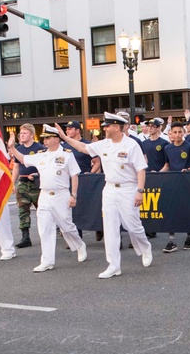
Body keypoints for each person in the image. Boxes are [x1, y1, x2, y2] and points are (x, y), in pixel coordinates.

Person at [56, 112, 152, 279]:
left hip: (128, 188)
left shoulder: (131, 145)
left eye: (107, 126)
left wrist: (140, 191)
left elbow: (140, 170)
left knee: (133, 226)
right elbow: (82, 148)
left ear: (116, 127)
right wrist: (64, 137)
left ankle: (145, 248)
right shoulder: (104, 144)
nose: (104, 128)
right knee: (110, 227)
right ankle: (113, 265)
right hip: (109, 189)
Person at [6, 125, 87, 273]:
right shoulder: (41, 155)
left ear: (56, 139)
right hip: (44, 194)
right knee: (45, 229)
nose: (45, 140)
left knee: (66, 226)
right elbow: (23, 159)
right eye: (44, 138)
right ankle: (47, 261)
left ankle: (79, 245)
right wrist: (12, 147)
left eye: (48, 138)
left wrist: (73, 195)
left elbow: (74, 175)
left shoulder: (67, 155)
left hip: (61, 194)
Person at [160, 121, 190, 252]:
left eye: (179, 132)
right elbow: (167, 166)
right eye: (175, 132)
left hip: (187, 183)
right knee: (171, 210)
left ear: (183, 133)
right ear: (170, 133)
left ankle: (189, 238)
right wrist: (156, 175)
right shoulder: (167, 148)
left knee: (187, 210)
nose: (177, 135)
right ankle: (171, 241)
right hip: (172, 183)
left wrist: (188, 169)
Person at [11, 124, 45, 249]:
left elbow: (44, 165)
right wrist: (12, 183)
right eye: (21, 133)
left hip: (36, 184)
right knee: (22, 211)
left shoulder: (39, 148)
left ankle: (47, 234)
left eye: (25, 133)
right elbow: (16, 166)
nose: (22, 135)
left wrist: (37, 174)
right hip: (23, 183)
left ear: (31, 135)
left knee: (42, 211)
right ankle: (25, 237)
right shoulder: (19, 149)